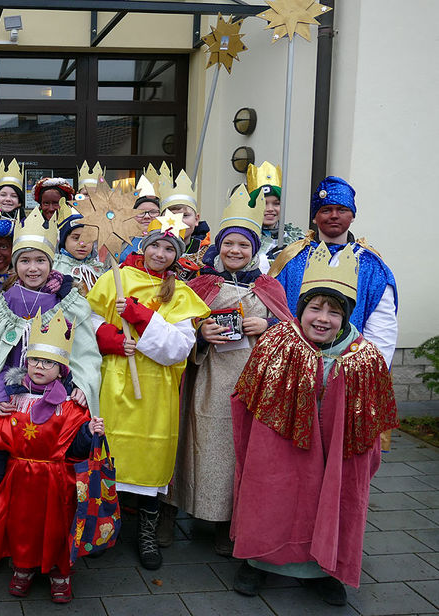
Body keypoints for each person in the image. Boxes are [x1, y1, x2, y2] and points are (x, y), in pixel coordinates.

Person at [230, 241, 398, 606]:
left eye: (334, 312)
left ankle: (323, 569)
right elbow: (248, 398)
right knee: (270, 493)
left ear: (347, 317)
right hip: (278, 447)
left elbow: (372, 425)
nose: (322, 318)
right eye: (315, 308)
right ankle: (257, 559)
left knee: (331, 499)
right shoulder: (278, 341)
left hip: (335, 452)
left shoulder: (364, 357)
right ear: (302, 309)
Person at [0, 207, 102, 571]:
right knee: (4, 477)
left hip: (56, 404)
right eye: (25, 261)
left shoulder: (71, 302)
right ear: (15, 266)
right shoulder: (3, 305)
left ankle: (53, 545)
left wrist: (82, 387)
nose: (32, 268)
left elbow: (86, 354)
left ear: (51, 262)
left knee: (51, 481)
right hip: (15, 401)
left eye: (40, 261)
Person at [167, 186, 292, 555]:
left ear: (254, 250)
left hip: (248, 383)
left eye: (243, 246)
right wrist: (200, 334)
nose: (235, 251)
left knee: (239, 451)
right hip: (203, 381)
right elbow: (176, 327)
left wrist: (267, 326)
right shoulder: (200, 283)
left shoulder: (269, 288)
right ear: (218, 246)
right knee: (193, 444)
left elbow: (290, 333)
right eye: (228, 244)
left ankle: (227, 522)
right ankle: (171, 511)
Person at [86, 212, 210, 570]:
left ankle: (147, 532)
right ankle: (103, 528)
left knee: (151, 464)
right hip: (114, 381)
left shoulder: (181, 293)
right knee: (110, 457)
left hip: (157, 390)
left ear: (176, 254)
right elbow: (88, 322)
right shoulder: (116, 279)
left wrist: (140, 317)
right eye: (154, 244)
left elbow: (178, 348)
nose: (160, 253)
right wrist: (109, 339)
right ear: (144, 245)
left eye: (168, 248)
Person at [0, 309, 105, 603]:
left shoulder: (70, 406)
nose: (39, 366)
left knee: (57, 529)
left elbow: (75, 449)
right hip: (18, 480)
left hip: (56, 482)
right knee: (21, 527)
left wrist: (90, 433)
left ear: (61, 369)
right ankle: (23, 568)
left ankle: (60, 574)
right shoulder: (13, 400)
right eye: (34, 360)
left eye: (48, 362)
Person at [271, 176, 397, 366]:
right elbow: (273, 309)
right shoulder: (291, 258)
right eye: (326, 210)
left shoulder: (371, 266)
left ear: (352, 216)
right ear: (315, 216)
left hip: (350, 369)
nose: (334, 215)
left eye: (342, 209)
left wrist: (368, 373)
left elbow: (382, 330)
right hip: (293, 367)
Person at [158, 169, 210, 280]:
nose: (178, 221)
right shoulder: (148, 252)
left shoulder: (207, 255)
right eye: (172, 215)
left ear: (196, 219)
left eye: (185, 216)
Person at [246, 161, 304, 261]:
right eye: (264, 203)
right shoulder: (242, 236)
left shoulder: (296, 238)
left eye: (276, 204)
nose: (270, 209)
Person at [52, 202, 107, 295]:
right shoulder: (55, 268)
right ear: (64, 240)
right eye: (76, 238)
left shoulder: (98, 268)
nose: (82, 244)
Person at [118, 175, 162, 261]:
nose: (146, 216)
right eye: (140, 213)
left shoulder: (166, 240)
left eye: (153, 212)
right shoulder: (120, 239)